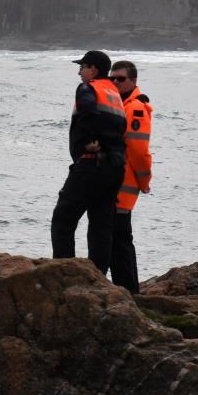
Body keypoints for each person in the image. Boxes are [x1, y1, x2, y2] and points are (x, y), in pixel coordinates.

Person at [51, 51, 128, 274]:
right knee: (101, 225)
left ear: (93, 70)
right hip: (114, 168)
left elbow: (87, 112)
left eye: (82, 67)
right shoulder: (114, 93)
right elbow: (119, 128)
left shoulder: (88, 88)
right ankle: (97, 278)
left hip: (91, 165)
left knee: (63, 219)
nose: (79, 72)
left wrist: (90, 142)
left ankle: (64, 273)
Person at [107, 60, 153, 294]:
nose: (115, 82)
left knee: (120, 241)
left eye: (121, 79)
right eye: (112, 78)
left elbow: (138, 151)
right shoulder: (119, 103)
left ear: (133, 81)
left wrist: (144, 181)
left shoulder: (134, 107)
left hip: (122, 186)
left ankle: (128, 291)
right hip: (114, 184)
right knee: (117, 239)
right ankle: (127, 290)